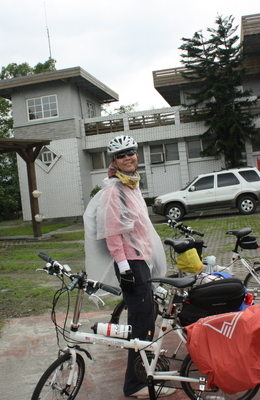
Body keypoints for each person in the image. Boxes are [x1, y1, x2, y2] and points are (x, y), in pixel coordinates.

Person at [84, 135, 175, 398]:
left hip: (139, 262)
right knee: (141, 322)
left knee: (146, 318)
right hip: (130, 265)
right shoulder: (114, 191)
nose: (128, 157)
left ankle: (144, 371)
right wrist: (125, 268)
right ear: (114, 160)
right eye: (122, 155)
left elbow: (141, 229)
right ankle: (135, 384)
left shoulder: (130, 185)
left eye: (131, 152)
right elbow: (112, 233)